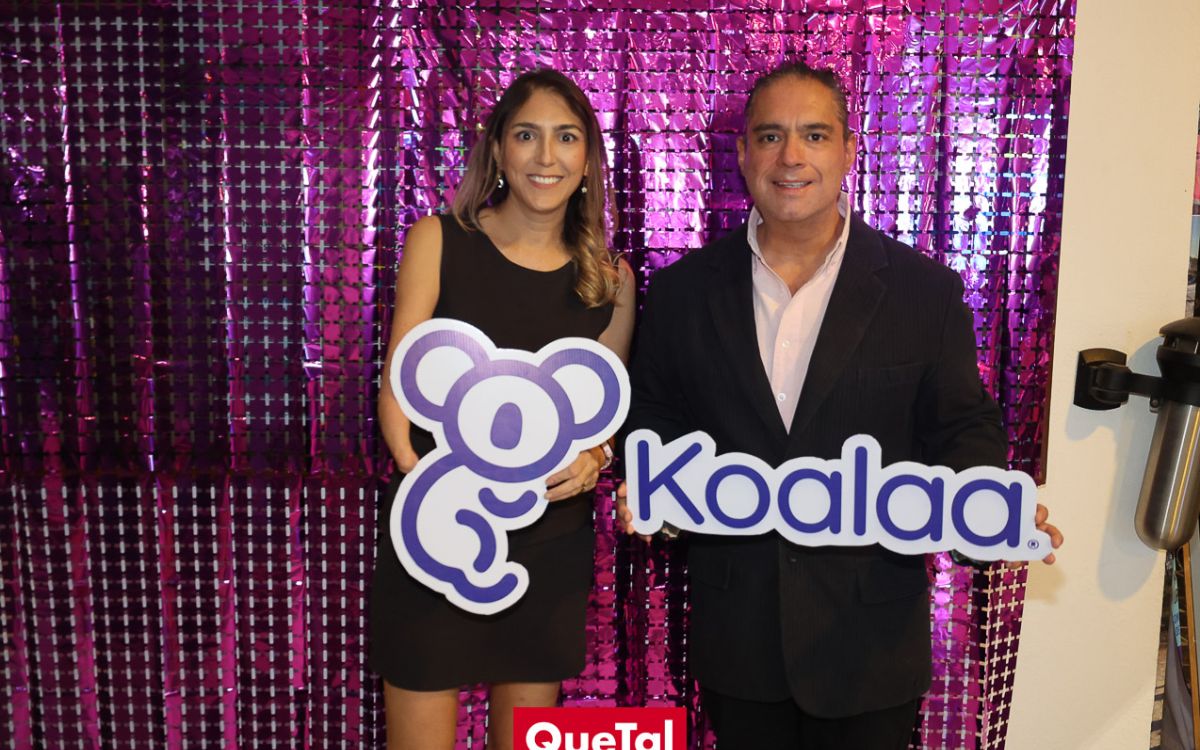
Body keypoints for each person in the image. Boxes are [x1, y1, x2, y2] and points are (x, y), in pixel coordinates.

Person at [616, 61, 1062, 749]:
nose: (791, 156)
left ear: (850, 150)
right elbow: (654, 415)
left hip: (871, 645)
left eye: (815, 135)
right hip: (739, 640)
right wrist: (656, 492)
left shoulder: (924, 292)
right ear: (743, 153)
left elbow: (961, 424)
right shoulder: (682, 292)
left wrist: (983, 506)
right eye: (770, 136)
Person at [369, 69, 635, 750]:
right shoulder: (438, 240)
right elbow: (399, 382)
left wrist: (596, 458)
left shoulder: (609, 277)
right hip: (434, 536)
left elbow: (606, 415)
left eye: (566, 137)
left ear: (588, 159)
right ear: (497, 149)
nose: (547, 157)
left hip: (548, 545)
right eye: (527, 135)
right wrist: (425, 484)